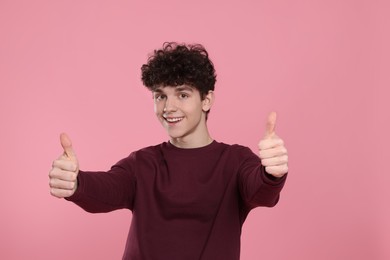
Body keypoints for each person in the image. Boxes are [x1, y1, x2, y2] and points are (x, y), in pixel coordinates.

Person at [49, 42, 289, 260]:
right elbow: (108, 188)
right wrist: (75, 184)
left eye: (182, 95)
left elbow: (261, 192)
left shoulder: (235, 161)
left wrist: (272, 174)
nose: (168, 107)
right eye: (160, 96)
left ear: (206, 100)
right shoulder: (142, 163)